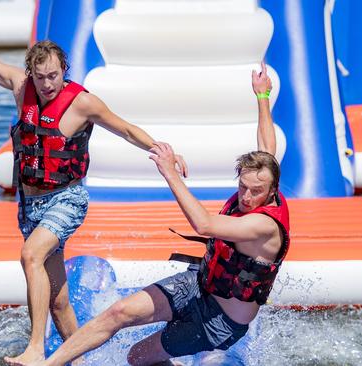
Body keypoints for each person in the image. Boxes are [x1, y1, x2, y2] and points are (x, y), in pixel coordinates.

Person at [0, 2, 188, 364]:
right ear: (31, 74)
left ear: (63, 71)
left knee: (30, 255)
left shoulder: (83, 103)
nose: (47, 84)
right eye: (41, 77)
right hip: (29, 205)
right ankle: (84, 360)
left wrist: (162, 149)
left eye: (54, 76)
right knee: (58, 302)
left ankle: (35, 349)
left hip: (67, 199)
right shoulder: (19, 86)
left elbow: (124, 128)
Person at [26, 63, 289, 366]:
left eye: (255, 191)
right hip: (199, 284)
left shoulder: (264, 225)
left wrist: (168, 172)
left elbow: (204, 224)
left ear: (273, 191)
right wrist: (263, 95)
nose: (246, 196)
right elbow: (267, 145)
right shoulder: (260, 176)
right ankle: (49, 364)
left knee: (137, 357)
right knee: (118, 313)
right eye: (242, 186)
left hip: (220, 320)